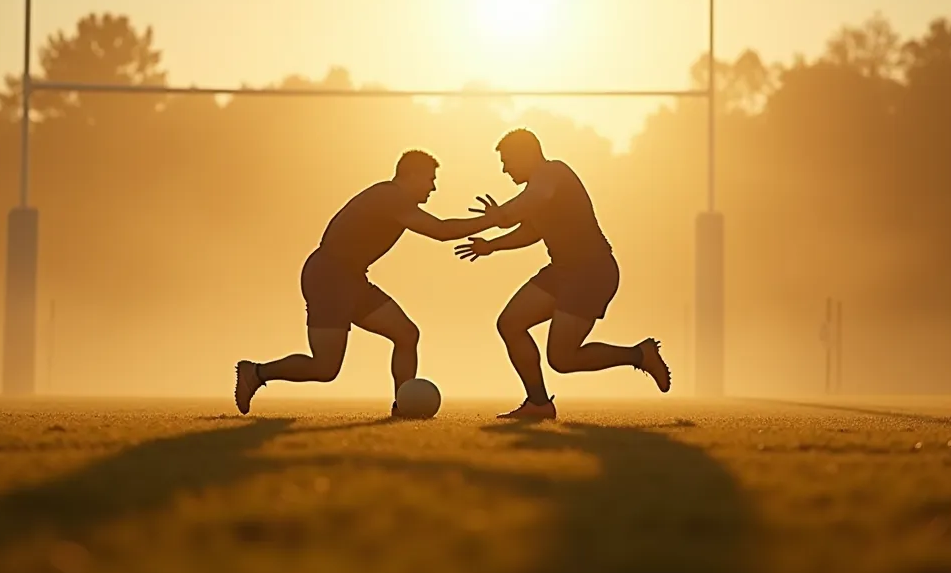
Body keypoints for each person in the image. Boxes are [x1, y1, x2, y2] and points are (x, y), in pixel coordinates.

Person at [234, 150, 500, 417]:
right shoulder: (390, 197)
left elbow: (440, 229)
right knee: (325, 368)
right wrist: (492, 220)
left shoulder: (396, 200)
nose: (433, 187)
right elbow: (441, 231)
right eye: (430, 179)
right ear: (411, 175)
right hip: (328, 278)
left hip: (352, 279)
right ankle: (256, 372)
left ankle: (403, 407)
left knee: (406, 334)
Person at [455, 128, 670, 419]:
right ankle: (538, 404)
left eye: (507, 161)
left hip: (592, 273)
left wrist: (502, 216)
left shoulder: (552, 173)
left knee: (562, 359)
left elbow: (532, 200)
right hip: (562, 271)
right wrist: (491, 245)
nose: (505, 169)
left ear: (527, 154)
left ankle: (640, 355)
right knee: (510, 323)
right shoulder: (534, 190)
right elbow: (530, 231)